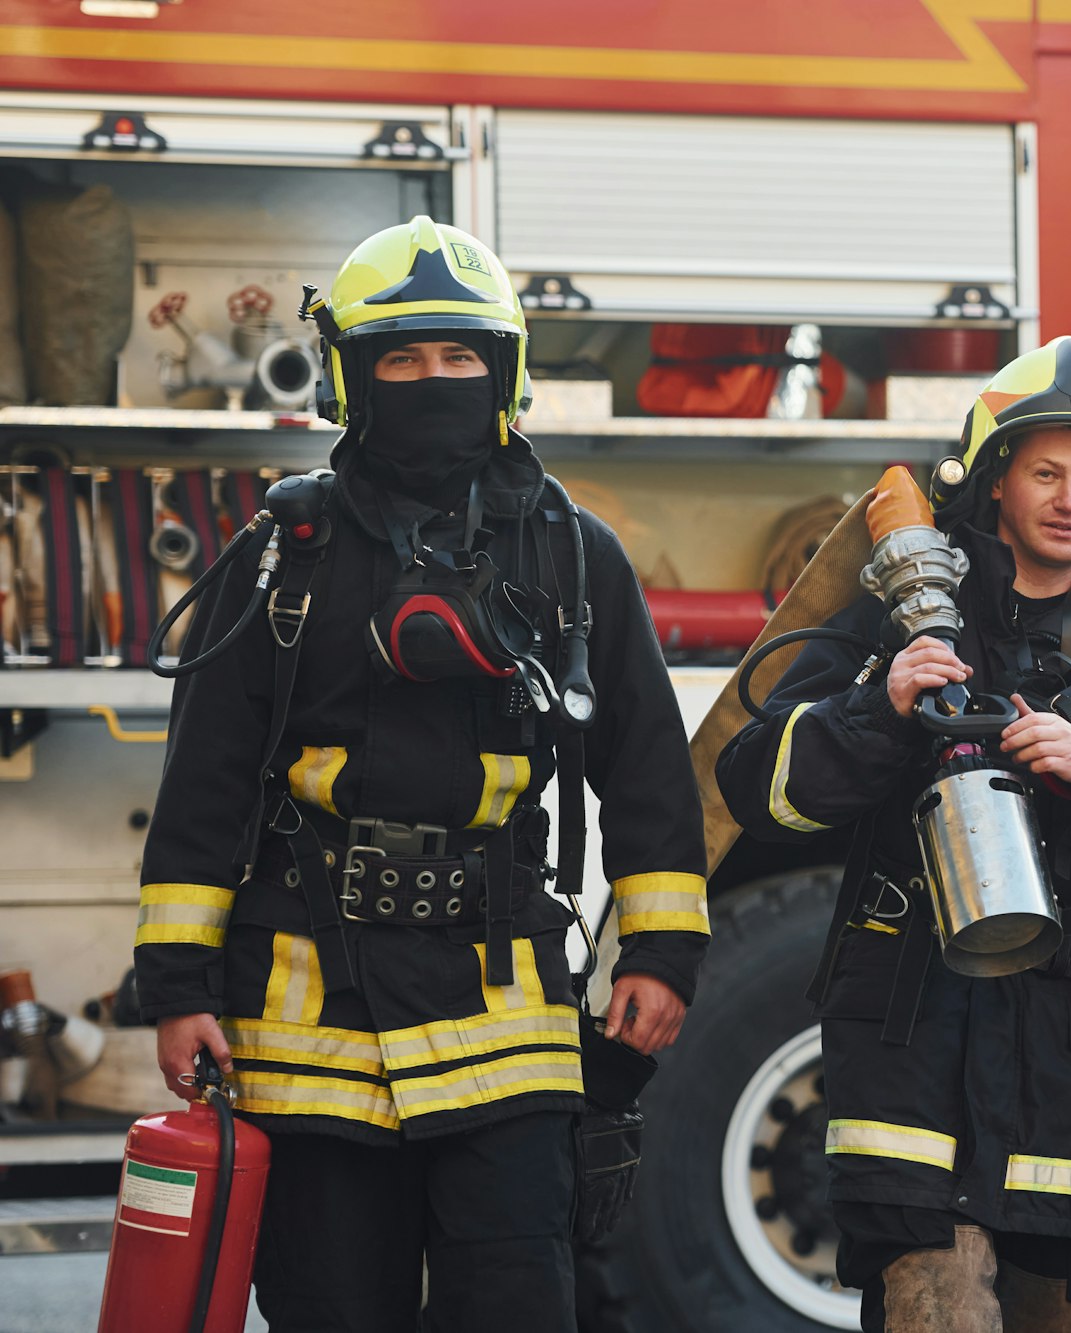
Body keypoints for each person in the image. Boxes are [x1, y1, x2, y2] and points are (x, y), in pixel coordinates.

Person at [132, 216, 709, 1333]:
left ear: (503, 372)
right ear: (354, 374)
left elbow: (642, 762)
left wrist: (664, 947)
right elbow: (204, 778)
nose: (432, 380)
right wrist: (178, 987)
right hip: (309, 1025)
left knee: (520, 1309)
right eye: (400, 357)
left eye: (459, 357)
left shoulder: (568, 551)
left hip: (506, 1017)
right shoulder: (282, 553)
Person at [716, 336, 1071, 1331]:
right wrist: (878, 710)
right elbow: (755, 785)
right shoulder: (896, 618)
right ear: (994, 481)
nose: (1068, 498)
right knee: (930, 1306)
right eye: (1045, 473)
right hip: (910, 1042)